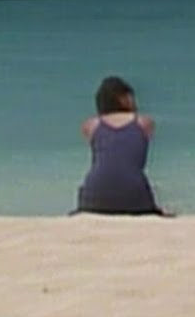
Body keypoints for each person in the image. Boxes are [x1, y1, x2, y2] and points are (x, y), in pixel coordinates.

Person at [74, 76, 172, 217]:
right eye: (130, 96)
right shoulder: (145, 123)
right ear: (122, 99)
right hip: (135, 198)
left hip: (94, 198)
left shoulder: (91, 125)